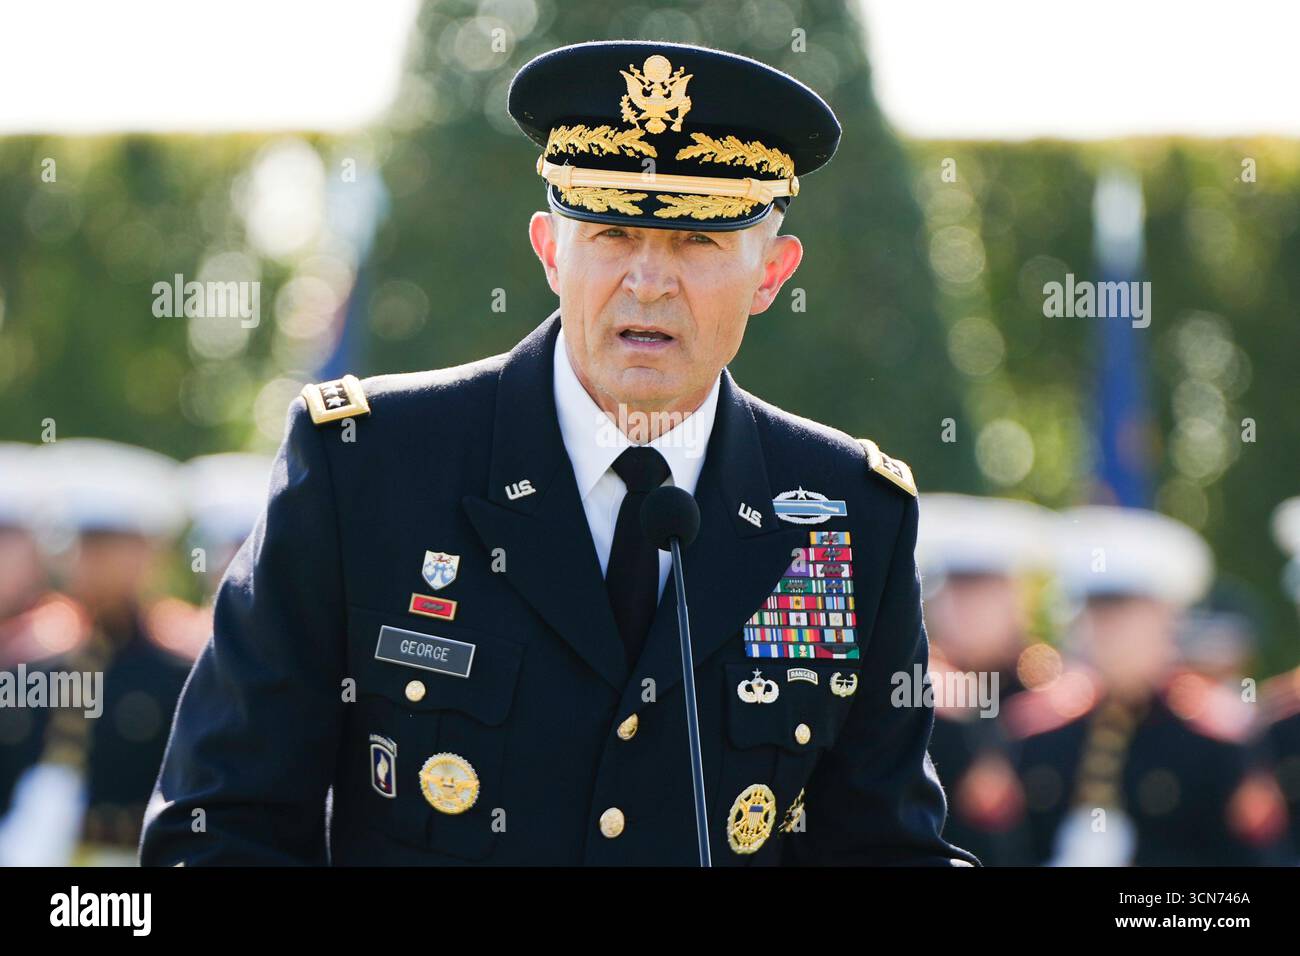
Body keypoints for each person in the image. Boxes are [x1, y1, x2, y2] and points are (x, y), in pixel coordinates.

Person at [142, 40, 977, 866]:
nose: (649, 282)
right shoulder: (367, 466)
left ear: (771, 274)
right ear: (550, 250)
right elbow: (218, 826)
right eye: (613, 231)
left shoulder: (844, 513)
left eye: (698, 243)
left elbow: (885, 847)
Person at [1007, 506, 1288, 865]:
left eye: (1125, 615)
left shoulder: (1217, 739)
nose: (1108, 632)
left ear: (1167, 620)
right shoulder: (1035, 734)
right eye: (1095, 613)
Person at [0, 439, 192, 866]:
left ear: (148, 552)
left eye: (105, 542)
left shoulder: (183, 674)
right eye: (78, 541)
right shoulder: (28, 668)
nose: (86, 558)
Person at [915, 493, 1055, 865]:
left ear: (1018, 601)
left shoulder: (1050, 690)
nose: (966, 609)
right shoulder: (911, 690)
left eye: (983, 593)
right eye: (957, 591)